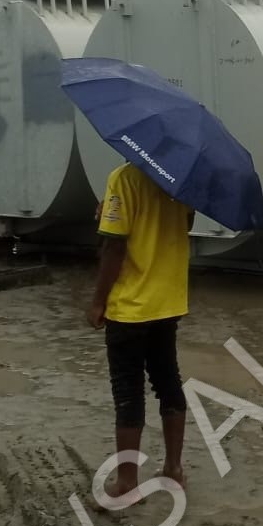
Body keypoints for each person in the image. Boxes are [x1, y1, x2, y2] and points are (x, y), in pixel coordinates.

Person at [88, 162, 193, 496]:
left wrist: (98, 301)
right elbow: (185, 223)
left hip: (131, 306)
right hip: (167, 301)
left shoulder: (123, 178)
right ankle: (174, 469)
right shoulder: (181, 177)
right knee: (168, 382)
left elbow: (115, 246)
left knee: (128, 393)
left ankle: (127, 482)